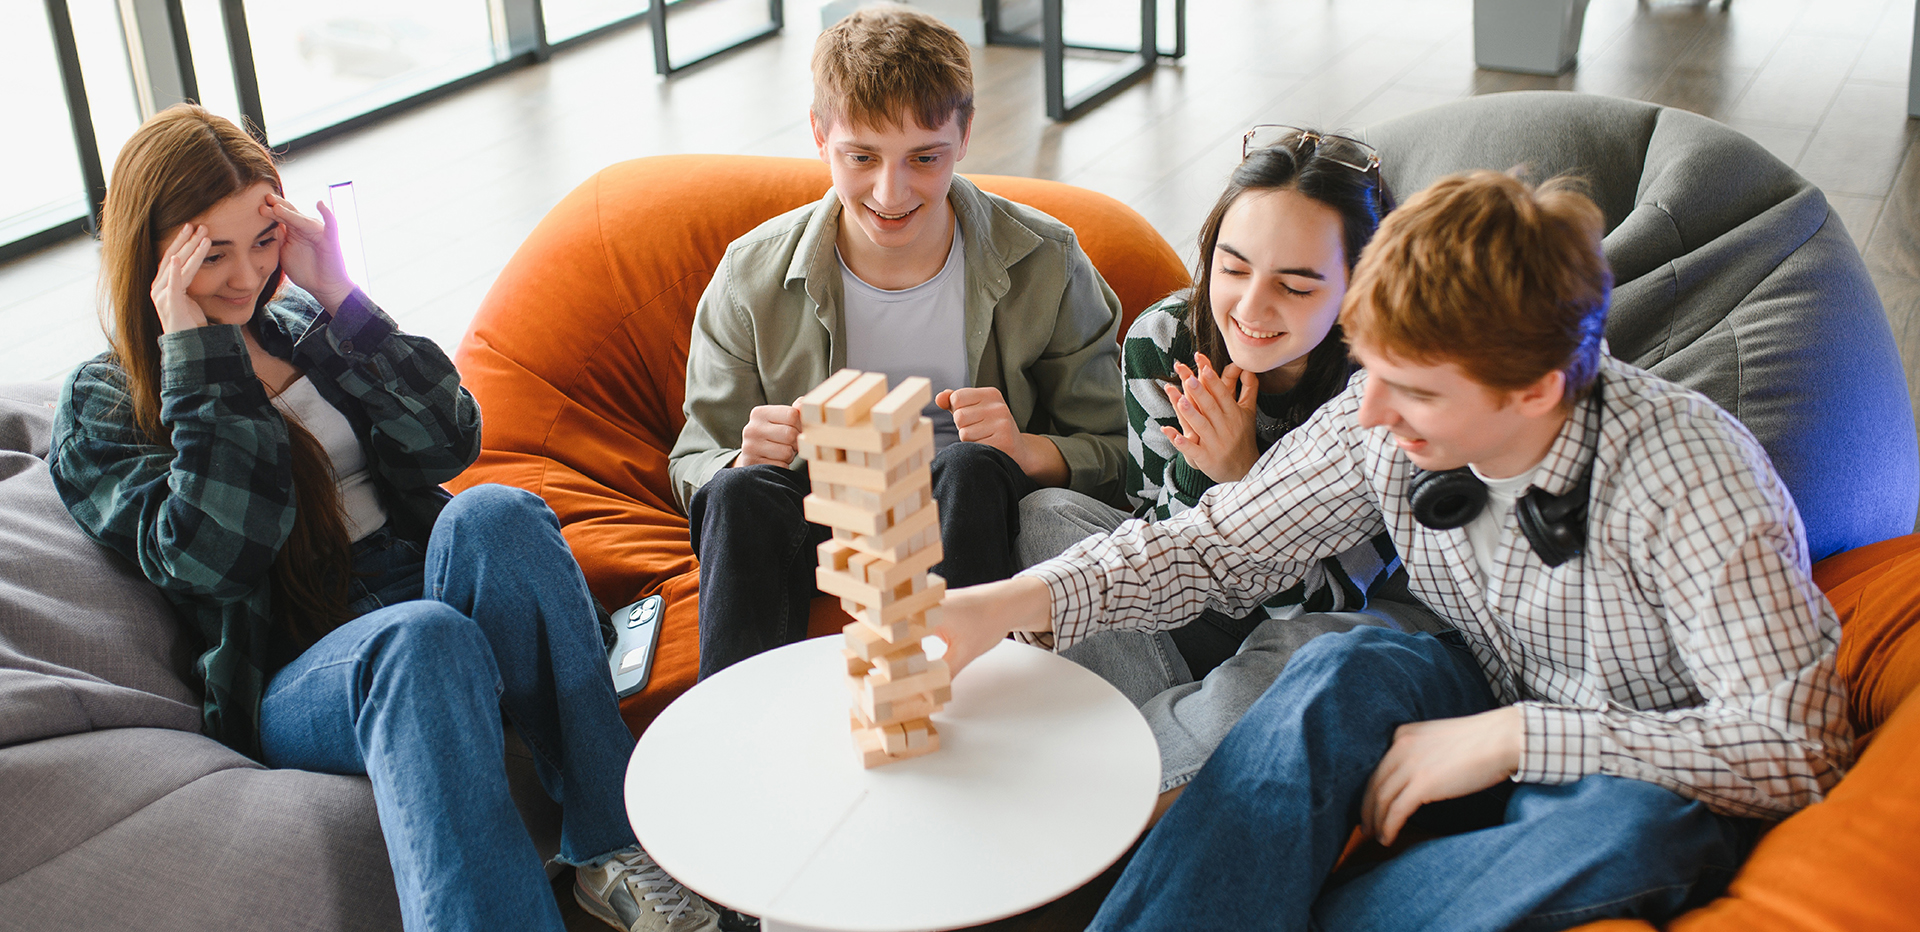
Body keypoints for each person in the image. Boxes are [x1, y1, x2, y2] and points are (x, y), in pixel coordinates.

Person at [936, 170, 1852, 931]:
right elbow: (1214, 546)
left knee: (1641, 834)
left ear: (1536, 390)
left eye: (1410, 391)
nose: (1369, 414)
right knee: (1345, 660)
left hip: (1631, 756)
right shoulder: (1378, 415)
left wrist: (1514, 739)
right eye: (1370, 371)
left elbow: (1800, 747)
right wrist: (1010, 603)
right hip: (1469, 681)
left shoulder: (1696, 480)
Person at [48, 105, 722, 932]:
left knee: (497, 513)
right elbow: (213, 559)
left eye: (261, 243)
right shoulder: (106, 401)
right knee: (420, 638)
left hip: (424, 586)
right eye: (208, 253)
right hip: (304, 663)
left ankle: (615, 845)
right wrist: (199, 361)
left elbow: (450, 440)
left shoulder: (298, 323)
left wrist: (337, 291)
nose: (241, 277)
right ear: (148, 253)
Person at [671, 4, 1130, 680]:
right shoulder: (751, 274)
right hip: (816, 522)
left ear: (965, 133)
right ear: (819, 136)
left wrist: (1026, 448)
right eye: (861, 157)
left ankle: (965, 702)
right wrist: (739, 457)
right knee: (739, 493)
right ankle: (740, 732)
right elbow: (692, 461)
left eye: (925, 157)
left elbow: (1118, 451)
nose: (892, 191)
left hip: (969, 517)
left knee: (969, 466)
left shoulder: (1048, 261)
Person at [1013, 127, 1420, 808]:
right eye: (1232, 269)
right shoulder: (1165, 338)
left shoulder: (1379, 385)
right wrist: (1204, 475)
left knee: (1319, 650)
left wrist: (1244, 476)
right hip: (1186, 601)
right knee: (1047, 514)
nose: (1252, 309)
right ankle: (1168, 744)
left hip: (1320, 617)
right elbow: (1156, 543)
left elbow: (1329, 600)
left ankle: (1116, 779)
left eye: (1294, 286)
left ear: (1358, 287)